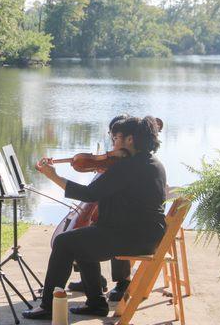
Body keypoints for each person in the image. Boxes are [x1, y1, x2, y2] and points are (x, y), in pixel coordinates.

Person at [22, 116, 166, 320]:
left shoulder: (127, 168)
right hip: (145, 234)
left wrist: (52, 176)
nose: (113, 144)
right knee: (82, 239)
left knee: (64, 242)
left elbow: (89, 194)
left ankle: (48, 306)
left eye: (116, 138)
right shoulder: (151, 163)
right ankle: (96, 303)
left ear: (130, 140)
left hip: (132, 236)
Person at [68, 114, 132, 302]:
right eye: (111, 137)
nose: (113, 142)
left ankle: (123, 281)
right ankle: (92, 279)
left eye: (115, 137)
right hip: (111, 200)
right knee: (83, 224)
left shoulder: (135, 158)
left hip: (125, 211)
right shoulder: (115, 155)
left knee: (104, 224)